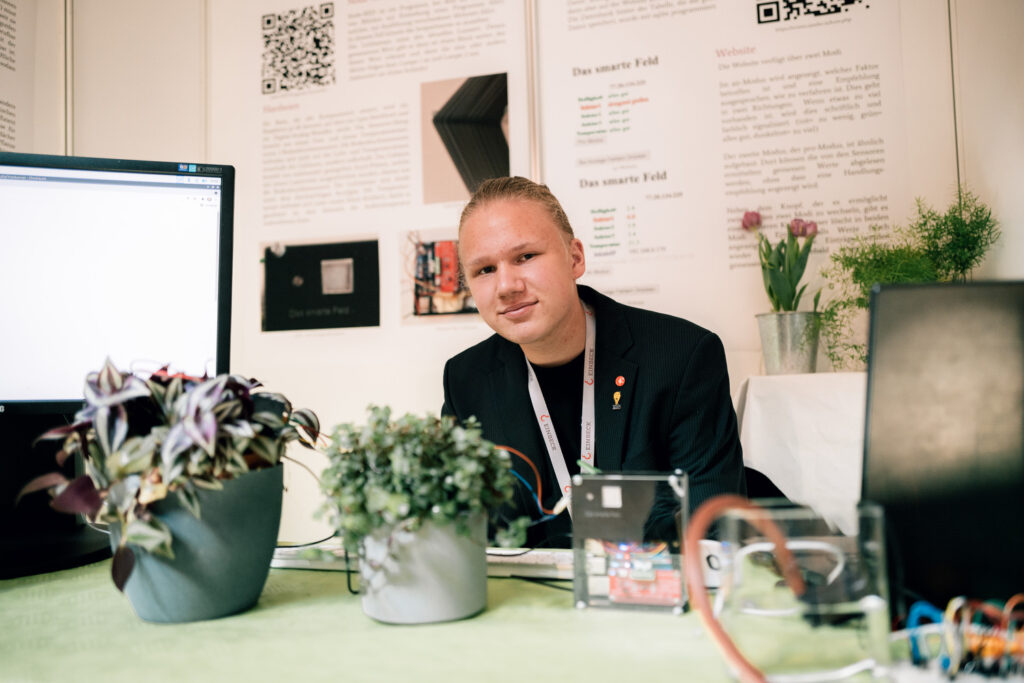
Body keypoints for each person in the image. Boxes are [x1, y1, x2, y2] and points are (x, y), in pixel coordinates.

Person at [442, 177, 745, 548]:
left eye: (525, 257)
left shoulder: (681, 357)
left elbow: (710, 532)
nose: (506, 286)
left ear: (575, 258)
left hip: (651, 581)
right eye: (485, 270)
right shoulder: (465, 380)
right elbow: (462, 533)